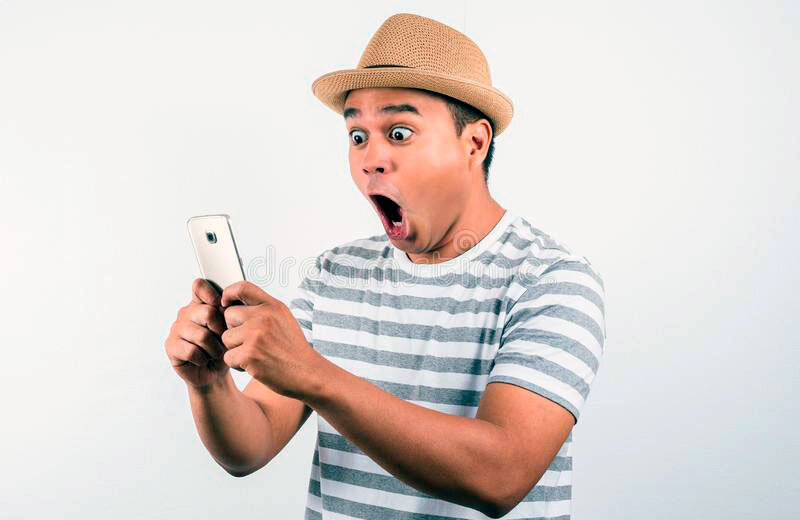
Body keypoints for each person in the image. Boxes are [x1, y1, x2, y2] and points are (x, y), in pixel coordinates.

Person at [164, 13, 606, 520]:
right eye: (357, 136)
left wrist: (312, 373)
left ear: (474, 143)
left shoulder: (551, 280)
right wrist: (210, 385)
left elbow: (500, 476)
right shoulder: (334, 274)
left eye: (398, 132)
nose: (370, 158)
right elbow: (250, 446)